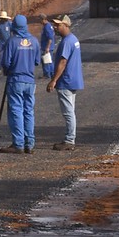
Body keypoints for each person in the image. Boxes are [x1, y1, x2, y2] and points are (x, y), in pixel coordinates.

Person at [0, 14, 40, 155]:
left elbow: (5, 62)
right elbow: (37, 61)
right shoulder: (34, 41)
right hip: (30, 81)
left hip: (16, 80)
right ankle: (30, 143)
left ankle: (18, 144)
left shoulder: (12, 41)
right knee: (29, 111)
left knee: (16, 111)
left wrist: (7, 70)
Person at [46, 14, 84, 151]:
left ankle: (69, 140)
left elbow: (63, 62)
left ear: (66, 25)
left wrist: (53, 80)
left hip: (66, 81)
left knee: (68, 112)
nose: (55, 27)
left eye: (58, 25)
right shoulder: (73, 39)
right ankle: (70, 138)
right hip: (73, 80)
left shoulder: (67, 42)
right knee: (70, 111)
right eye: (55, 25)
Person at [39, 13, 55, 79]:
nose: (40, 22)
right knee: (48, 60)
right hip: (47, 47)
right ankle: (51, 73)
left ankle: (47, 74)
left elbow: (50, 38)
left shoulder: (47, 27)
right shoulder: (48, 26)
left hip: (47, 47)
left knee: (46, 61)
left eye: (40, 20)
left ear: (43, 19)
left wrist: (47, 47)